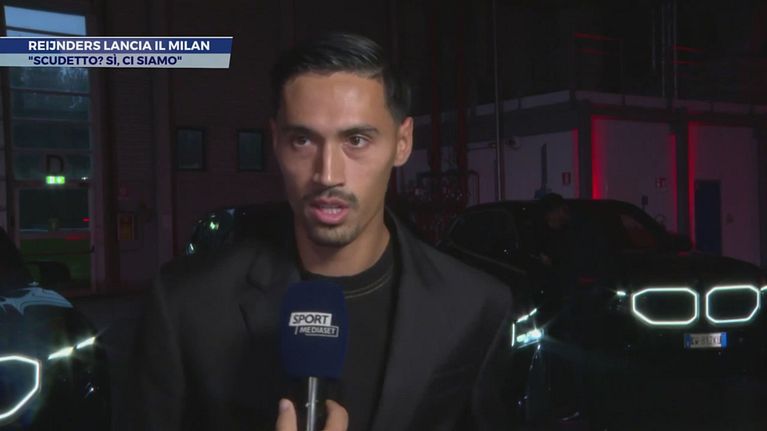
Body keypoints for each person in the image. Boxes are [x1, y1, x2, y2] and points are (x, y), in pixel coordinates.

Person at [136, 33, 512, 431]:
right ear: (276, 141)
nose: (327, 174)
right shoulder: (186, 305)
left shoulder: (477, 306)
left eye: (356, 140)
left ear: (403, 143)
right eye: (302, 140)